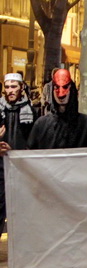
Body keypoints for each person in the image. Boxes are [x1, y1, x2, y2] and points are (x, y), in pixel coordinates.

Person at [4, 70, 87, 268]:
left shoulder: (86, 124)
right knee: (45, 243)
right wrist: (12, 154)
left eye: (65, 88)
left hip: (76, 198)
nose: (61, 93)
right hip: (47, 199)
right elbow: (30, 158)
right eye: (57, 88)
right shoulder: (42, 124)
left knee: (76, 242)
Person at [0, 72, 36, 225]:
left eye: (14, 87)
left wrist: (14, 150)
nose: (10, 90)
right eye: (7, 87)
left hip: (21, 170)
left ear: (21, 88)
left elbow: (34, 144)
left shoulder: (31, 112)